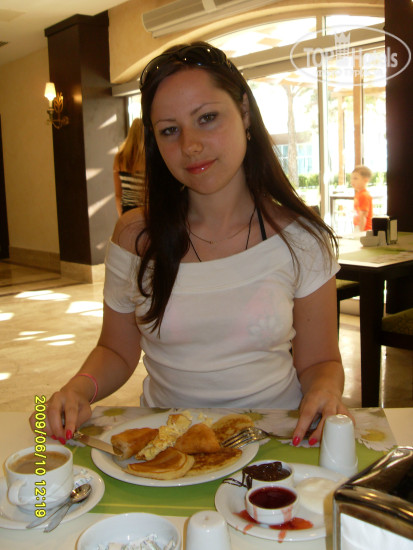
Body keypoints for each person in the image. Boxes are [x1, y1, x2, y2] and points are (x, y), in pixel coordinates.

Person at [30, 42, 351, 447]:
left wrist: (325, 389)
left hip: (270, 440)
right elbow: (116, 349)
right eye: (170, 130)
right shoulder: (136, 236)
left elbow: (320, 361)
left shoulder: (301, 238)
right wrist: (78, 389)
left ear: (244, 113)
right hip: (168, 443)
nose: (190, 145)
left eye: (207, 118)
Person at [113, 118, 145, 216]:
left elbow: (118, 195)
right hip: (147, 211)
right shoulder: (151, 158)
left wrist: (122, 216)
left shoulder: (120, 158)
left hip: (128, 212)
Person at [351, 165, 373, 232]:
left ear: (365, 180)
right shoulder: (358, 194)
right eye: (351, 178)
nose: (352, 181)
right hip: (359, 226)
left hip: (364, 229)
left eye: (355, 178)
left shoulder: (364, 195)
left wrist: (361, 232)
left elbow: (363, 215)